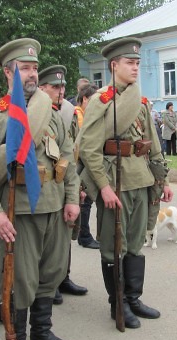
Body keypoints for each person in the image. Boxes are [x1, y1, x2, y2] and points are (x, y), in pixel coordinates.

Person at [0, 38, 80, 340]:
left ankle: (41, 332)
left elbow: (67, 158)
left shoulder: (52, 111)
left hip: (53, 205)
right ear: (8, 72)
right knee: (21, 278)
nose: (31, 74)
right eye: (24, 68)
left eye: (34, 68)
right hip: (18, 210)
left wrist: (73, 199)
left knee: (51, 272)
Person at [78, 37, 173, 329]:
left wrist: (163, 178)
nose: (135, 68)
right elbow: (89, 148)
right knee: (112, 247)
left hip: (140, 178)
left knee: (135, 244)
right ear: (114, 65)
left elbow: (153, 144)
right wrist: (104, 187)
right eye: (129, 63)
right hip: (114, 181)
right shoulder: (101, 101)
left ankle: (133, 298)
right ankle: (116, 303)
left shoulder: (141, 102)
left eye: (137, 63)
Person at [38, 65, 88, 304]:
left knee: (65, 231)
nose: (60, 91)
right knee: (48, 239)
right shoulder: (36, 113)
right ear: (42, 88)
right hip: (45, 181)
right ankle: (49, 282)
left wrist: (75, 183)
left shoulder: (67, 111)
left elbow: (73, 146)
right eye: (54, 87)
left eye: (62, 87)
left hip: (67, 174)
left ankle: (63, 277)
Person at [71, 83, 100, 249]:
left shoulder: (90, 115)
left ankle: (84, 234)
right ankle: (84, 235)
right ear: (84, 99)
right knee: (83, 201)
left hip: (87, 162)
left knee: (87, 201)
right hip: (78, 164)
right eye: (93, 100)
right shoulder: (76, 115)